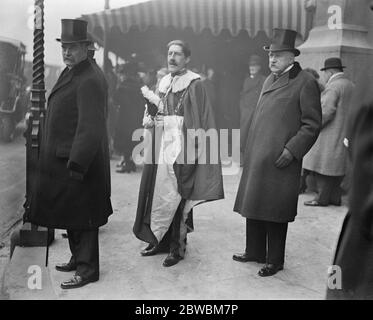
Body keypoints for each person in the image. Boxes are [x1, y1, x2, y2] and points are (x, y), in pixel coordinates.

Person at [28, 19, 112, 289]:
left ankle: (88, 270)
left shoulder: (90, 79)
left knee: (84, 216)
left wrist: (77, 164)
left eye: (73, 47)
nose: (66, 52)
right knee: (72, 212)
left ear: (88, 48)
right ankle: (77, 258)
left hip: (78, 161)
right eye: (64, 47)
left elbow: (91, 127)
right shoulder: (74, 71)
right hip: (66, 157)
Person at [232, 28, 322, 277]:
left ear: (292, 57)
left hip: (281, 158)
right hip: (258, 155)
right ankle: (254, 251)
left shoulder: (305, 82)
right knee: (255, 204)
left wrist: (292, 151)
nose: (272, 59)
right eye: (271, 54)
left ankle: (274, 259)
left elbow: (312, 124)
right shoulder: (268, 79)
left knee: (275, 210)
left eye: (278, 55)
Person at [133, 40, 224, 267]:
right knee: (158, 195)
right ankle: (159, 240)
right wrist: (150, 118)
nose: (172, 58)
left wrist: (170, 123)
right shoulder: (164, 81)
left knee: (178, 195)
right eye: (169, 53)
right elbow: (155, 109)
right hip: (161, 147)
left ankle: (177, 247)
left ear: (187, 59)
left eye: (177, 54)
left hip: (182, 148)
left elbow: (199, 122)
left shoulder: (194, 84)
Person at [326, 69, 373, 299]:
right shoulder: (356, 84)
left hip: (364, 227)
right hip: (364, 220)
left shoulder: (365, 82)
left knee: (342, 285)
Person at [303, 58, 355, 207]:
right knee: (337, 168)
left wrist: (312, 125)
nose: (324, 76)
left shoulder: (333, 86)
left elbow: (326, 111)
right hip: (345, 134)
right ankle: (335, 198)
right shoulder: (351, 85)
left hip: (329, 135)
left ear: (330, 72)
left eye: (325, 72)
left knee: (323, 168)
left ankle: (321, 199)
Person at [113, 62, 144, 173]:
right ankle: (131, 163)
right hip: (136, 118)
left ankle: (127, 164)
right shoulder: (140, 85)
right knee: (133, 141)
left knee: (125, 141)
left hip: (124, 118)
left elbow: (116, 100)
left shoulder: (123, 86)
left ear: (126, 73)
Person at [239, 55, 266, 161]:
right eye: (250, 66)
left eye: (254, 66)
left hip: (257, 112)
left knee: (255, 136)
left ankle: (251, 159)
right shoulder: (246, 80)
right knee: (243, 135)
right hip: (246, 112)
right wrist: (242, 109)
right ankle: (242, 158)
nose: (252, 68)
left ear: (259, 67)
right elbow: (242, 96)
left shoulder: (263, 80)